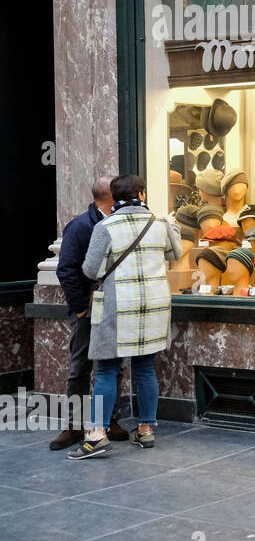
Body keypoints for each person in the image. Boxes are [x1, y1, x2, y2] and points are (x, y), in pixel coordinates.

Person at [68, 174, 183, 460]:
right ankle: (145, 430)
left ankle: (97, 435)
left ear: (115, 197)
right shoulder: (159, 223)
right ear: (141, 194)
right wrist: (173, 228)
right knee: (145, 368)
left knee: (107, 369)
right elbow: (175, 253)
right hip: (154, 306)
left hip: (118, 307)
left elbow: (91, 271)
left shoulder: (106, 226)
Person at [50, 176, 129, 450]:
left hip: (113, 306)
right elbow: (67, 269)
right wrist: (81, 308)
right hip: (87, 307)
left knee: (113, 366)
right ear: (107, 196)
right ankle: (74, 426)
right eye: (117, 192)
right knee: (80, 366)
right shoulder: (80, 226)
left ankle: (107, 420)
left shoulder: (120, 222)